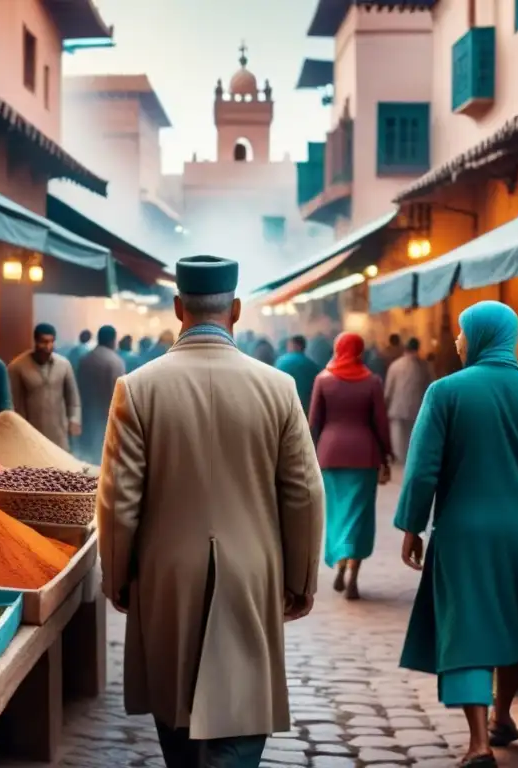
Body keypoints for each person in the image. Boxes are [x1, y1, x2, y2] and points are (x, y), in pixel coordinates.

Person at [97, 255, 324, 768]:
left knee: (177, 720)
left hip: (166, 576)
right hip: (252, 574)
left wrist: (119, 578)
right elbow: (305, 493)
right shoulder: (279, 388)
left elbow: (118, 499)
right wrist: (301, 577)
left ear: (178, 307)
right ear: (236, 310)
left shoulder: (137, 388)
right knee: (241, 720)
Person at [394, 301, 518, 767]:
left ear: (478, 336)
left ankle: (480, 743)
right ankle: (503, 715)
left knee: (468, 630)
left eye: (461, 333)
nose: (458, 341)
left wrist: (411, 526)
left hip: (464, 534)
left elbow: (421, 473)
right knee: (517, 623)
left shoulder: (445, 392)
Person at [309, 333, 392, 601]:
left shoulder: (323, 379)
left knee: (336, 512)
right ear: (360, 351)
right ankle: (353, 570)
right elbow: (381, 423)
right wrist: (386, 456)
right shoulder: (372, 381)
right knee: (359, 514)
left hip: (330, 454)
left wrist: (308, 454)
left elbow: (314, 423)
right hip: (364, 455)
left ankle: (340, 558)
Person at [8, 323, 82, 451]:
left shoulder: (63, 365)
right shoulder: (17, 366)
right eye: (44, 342)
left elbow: (73, 399)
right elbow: (14, 404)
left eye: (51, 342)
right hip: (31, 435)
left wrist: (74, 420)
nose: (48, 347)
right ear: (35, 341)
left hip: (59, 434)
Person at [77, 325, 126, 464]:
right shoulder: (115, 361)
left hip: (86, 414)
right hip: (105, 416)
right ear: (112, 340)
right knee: (102, 458)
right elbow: (120, 394)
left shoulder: (85, 359)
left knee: (86, 457)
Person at [384, 337, 432, 464]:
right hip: (418, 408)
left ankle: (401, 462)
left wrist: (385, 405)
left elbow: (388, 389)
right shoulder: (425, 366)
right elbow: (431, 386)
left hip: (397, 408)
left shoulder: (395, 366)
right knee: (414, 437)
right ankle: (412, 461)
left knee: (399, 440)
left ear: (405, 349)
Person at [276, 335, 322, 414]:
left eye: (289, 345)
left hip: (284, 407)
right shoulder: (312, 365)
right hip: (305, 409)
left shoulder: (280, 362)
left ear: (296, 346)